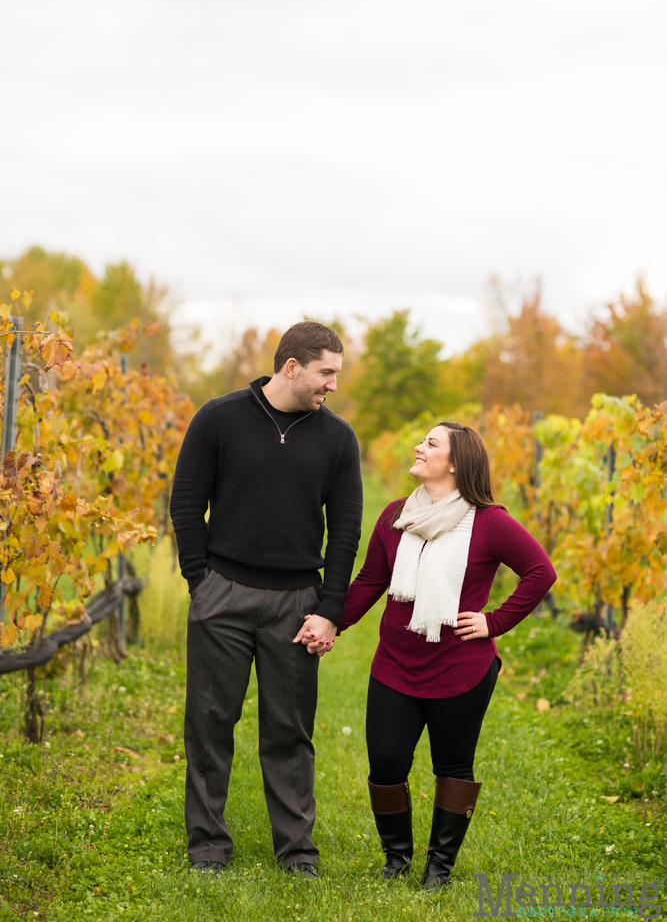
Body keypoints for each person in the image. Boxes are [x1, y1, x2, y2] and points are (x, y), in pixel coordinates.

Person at [170, 321, 362, 878]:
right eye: (326, 373)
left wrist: (329, 609)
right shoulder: (218, 418)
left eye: (337, 375)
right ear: (293, 366)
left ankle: (297, 852)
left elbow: (345, 529)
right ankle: (207, 846)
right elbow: (187, 503)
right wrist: (200, 582)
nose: (333, 386)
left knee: (289, 732)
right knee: (209, 724)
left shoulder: (338, 439)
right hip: (222, 595)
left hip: (296, 602)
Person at [331, 421, 556, 891]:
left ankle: (440, 866)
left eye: (431, 443)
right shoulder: (396, 515)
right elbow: (371, 581)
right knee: (386, 763)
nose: (418, 446)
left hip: (461, 667)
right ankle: (397, 859)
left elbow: (540, 571)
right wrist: (332, 620)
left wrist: (494, 622)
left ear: (455, 462)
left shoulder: (489, 521)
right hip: (395, 661)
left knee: (452, 766)